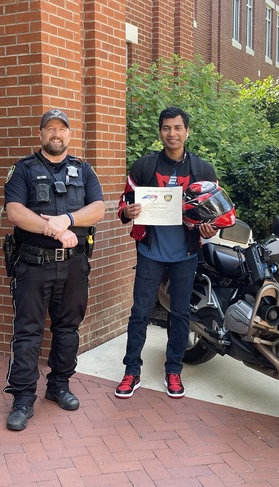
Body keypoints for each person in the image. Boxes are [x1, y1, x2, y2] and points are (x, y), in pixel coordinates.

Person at [3, 109, 105, 431]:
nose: (56, 134)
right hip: (34, 264)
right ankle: (22, 398)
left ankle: (59, 385)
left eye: (62, 129)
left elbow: (99, 208)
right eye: (50, 128)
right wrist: (57, 231)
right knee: (28, 332)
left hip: (74, 265)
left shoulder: (84, 170)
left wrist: (68, 220)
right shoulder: (23, 169)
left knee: (67, 330)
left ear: (69, 135)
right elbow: (15, 212)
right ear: (41, 134)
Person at [115, 106, 219, 399]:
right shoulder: (144, 167)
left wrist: (209, 229)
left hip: (185, 254)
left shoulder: (203, 170)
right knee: (140, 312)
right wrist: (128, 211)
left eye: (177, 128)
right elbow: (123, 203)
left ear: (187, 131)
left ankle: (173, 369)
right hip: (150, 251)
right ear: (160, 132)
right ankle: (131, 370)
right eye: (166, 128)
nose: (172, 133)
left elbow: (215, 213)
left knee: (181, 313)